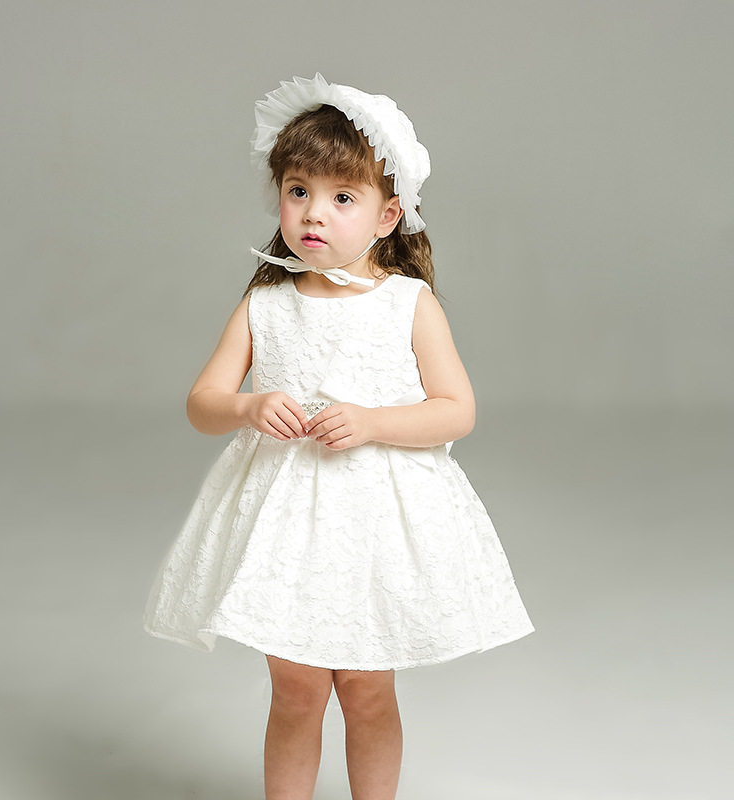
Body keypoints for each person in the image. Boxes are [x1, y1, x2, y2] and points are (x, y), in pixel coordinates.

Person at [143, 73, 535, 800]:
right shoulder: (266, 304)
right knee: (295, 690)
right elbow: (202, 404)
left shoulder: (409, 304)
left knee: (365, 688)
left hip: (372, 522)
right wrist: (249, 406)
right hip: (285, 524)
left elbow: (456, 410)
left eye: (342, 198)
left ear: (389, 215)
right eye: (298, 191)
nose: (313, 213)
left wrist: (374, 421)